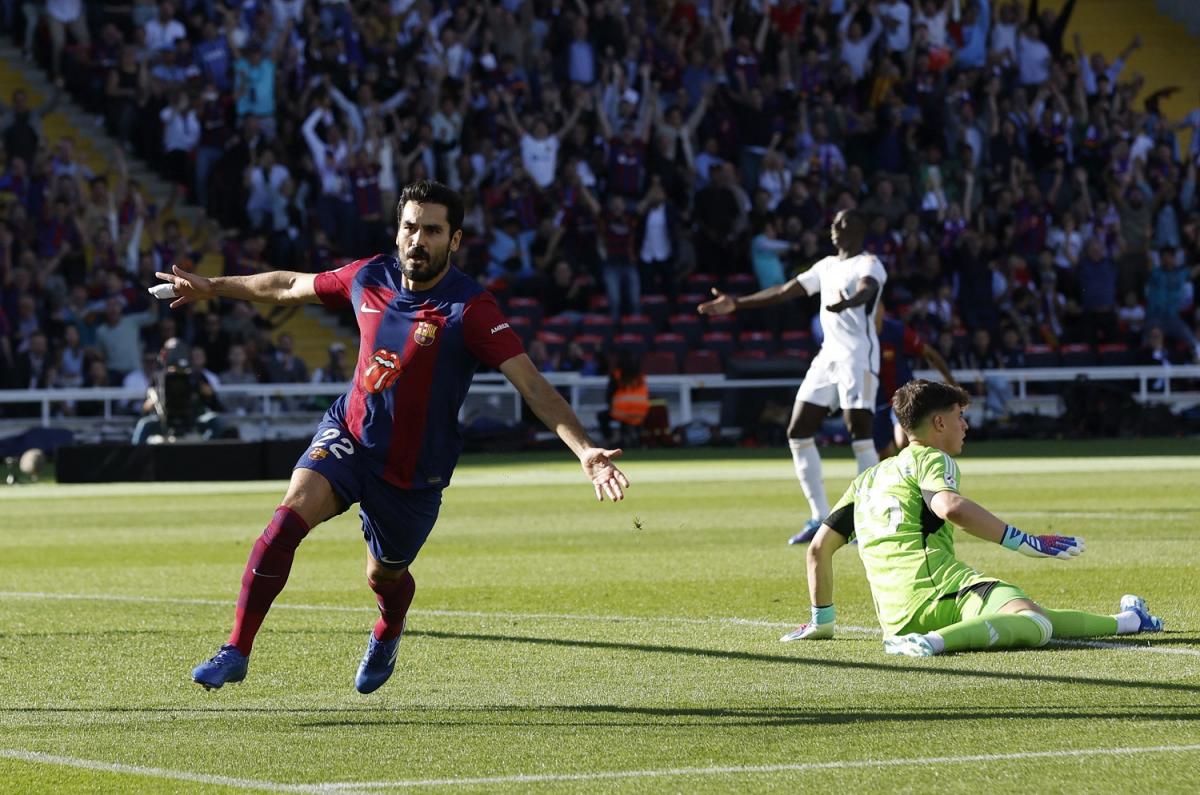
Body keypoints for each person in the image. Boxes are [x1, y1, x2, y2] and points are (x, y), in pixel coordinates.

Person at [154, 181, 629, 694]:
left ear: (455, 240)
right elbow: (288, 284)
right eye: (409, 227)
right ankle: (237, 648)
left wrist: (587, 452)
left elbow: (532, 384)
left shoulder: (471, 310)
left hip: (413, 470)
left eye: (431, 230)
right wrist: (211, 287)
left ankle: (389, 627)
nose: (417, 240)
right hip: (350, 437)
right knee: (288, 516)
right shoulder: (370, 275)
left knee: (384, 576)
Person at [780, 380, 1162, 656]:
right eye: (959, 416)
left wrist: (823, 621)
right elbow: (950, 507)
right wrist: (1024, 541)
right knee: (1036, 624)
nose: (966, 425)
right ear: (939, 424)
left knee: (1027, 610)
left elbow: (817, 550)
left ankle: (1129, 620)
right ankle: (933, 642)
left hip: (896, 616)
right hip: (939, 594)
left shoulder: (866, 479)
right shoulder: (931, 458)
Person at [699, 209, 887, 545]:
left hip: (859, 359)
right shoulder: (826, 266)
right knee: (798, 431)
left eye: (843, 223)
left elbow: (867, 289)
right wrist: (737, 303)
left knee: (859, 434)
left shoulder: (869, 263)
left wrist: (850, 303)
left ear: (860, 228)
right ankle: (819, 517)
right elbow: (786, 290)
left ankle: (865, 519)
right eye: (834, 222)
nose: (835, 228)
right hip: (828, 357)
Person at [874, 312, 957, 459]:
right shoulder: (856, 332)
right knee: (883, 453)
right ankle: (898, 478)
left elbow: (928, 353)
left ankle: (923, 471)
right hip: (875, 400)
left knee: (904, 440)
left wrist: (951, 382)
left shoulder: (896, 330)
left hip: (902, 396)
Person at [597, 351, 649, 445]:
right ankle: (634, 438)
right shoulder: (640, 377)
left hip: (621, 412)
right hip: (641, 412)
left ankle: (609, 439)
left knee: (602, 416)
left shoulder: (616, 375)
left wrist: (612, 406)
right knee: (627, 418)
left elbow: (609, 395)